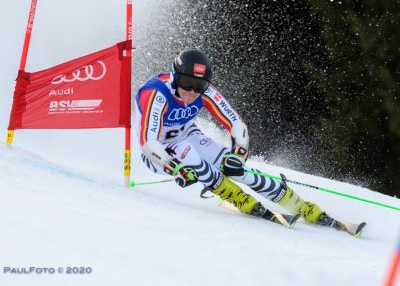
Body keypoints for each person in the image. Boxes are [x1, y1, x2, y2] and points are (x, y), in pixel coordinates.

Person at [135, 49, 340, 228]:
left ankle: (299, 204)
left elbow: (236, 124)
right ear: (175, 77)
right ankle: (236, 196)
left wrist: (239, 155)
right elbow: (148, 142)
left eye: (199, 86)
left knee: (232, 166)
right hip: (157, 152)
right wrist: (175, 168)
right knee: (189, 157)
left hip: (187, 134)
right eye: (187, 83)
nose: (192, 92)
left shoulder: (204, 92)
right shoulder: (157, 93)